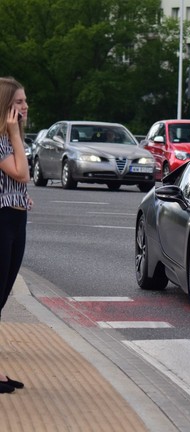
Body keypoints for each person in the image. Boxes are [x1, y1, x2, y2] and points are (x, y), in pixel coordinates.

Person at [0, 77, 29, 393]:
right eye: (19, 102)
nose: (25, 106)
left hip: (15, 221)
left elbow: (18, 182)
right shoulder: (2, 139)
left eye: (25, 101)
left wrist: (22, 197)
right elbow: (21, 173)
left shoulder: (10, 138)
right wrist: (12, 132)